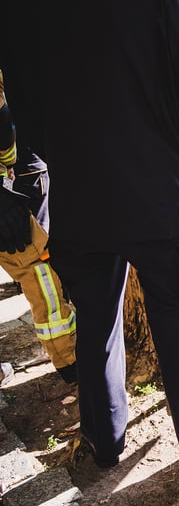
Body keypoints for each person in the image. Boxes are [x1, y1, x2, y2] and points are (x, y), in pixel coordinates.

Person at [0, 0, 179, 470]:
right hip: (155, 186)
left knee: (96, 323)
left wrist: (70, 161)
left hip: (77, 193)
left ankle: (104, 438)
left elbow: (25, 113)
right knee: (174, 323)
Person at [0, 72, 77, 385]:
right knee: (39, 272)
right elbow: (4, 129)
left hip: (18, 180)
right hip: (16, 186)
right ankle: (69, 359)